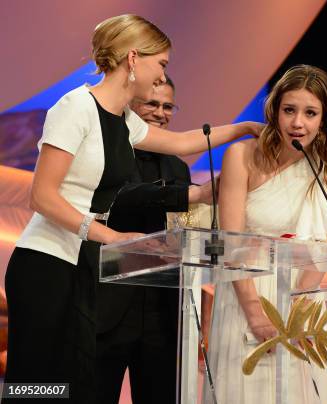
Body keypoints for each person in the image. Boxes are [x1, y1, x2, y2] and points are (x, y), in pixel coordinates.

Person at [4, 14, 260, 403]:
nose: (162, 75)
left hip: (83, 263)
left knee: (73, 387)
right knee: (37, 385)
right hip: (47, 263)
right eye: (162, 64)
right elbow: (42, 197)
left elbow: (183, 142)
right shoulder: (75, 108)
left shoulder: (122, 121)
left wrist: (246, 129)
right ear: (134, 59)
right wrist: (112, 236)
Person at [205, 65, 327, 403]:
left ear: (323, 118)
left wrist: (299, 311)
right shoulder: (241, 155)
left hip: (305, 296)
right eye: (289, 110)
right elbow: (231, 243)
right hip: (248, 293)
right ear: (275, 110)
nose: (298, 122)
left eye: (310, 113)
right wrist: (256, 313)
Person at [96, 76, 212, 404]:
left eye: (167, 106)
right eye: (151, 103)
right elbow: (118, 198)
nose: (160, 113)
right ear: (130, 102)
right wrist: (187, 195)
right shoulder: (108, 150)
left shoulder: (178, 165)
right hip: (110, 303)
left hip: (163, 312)